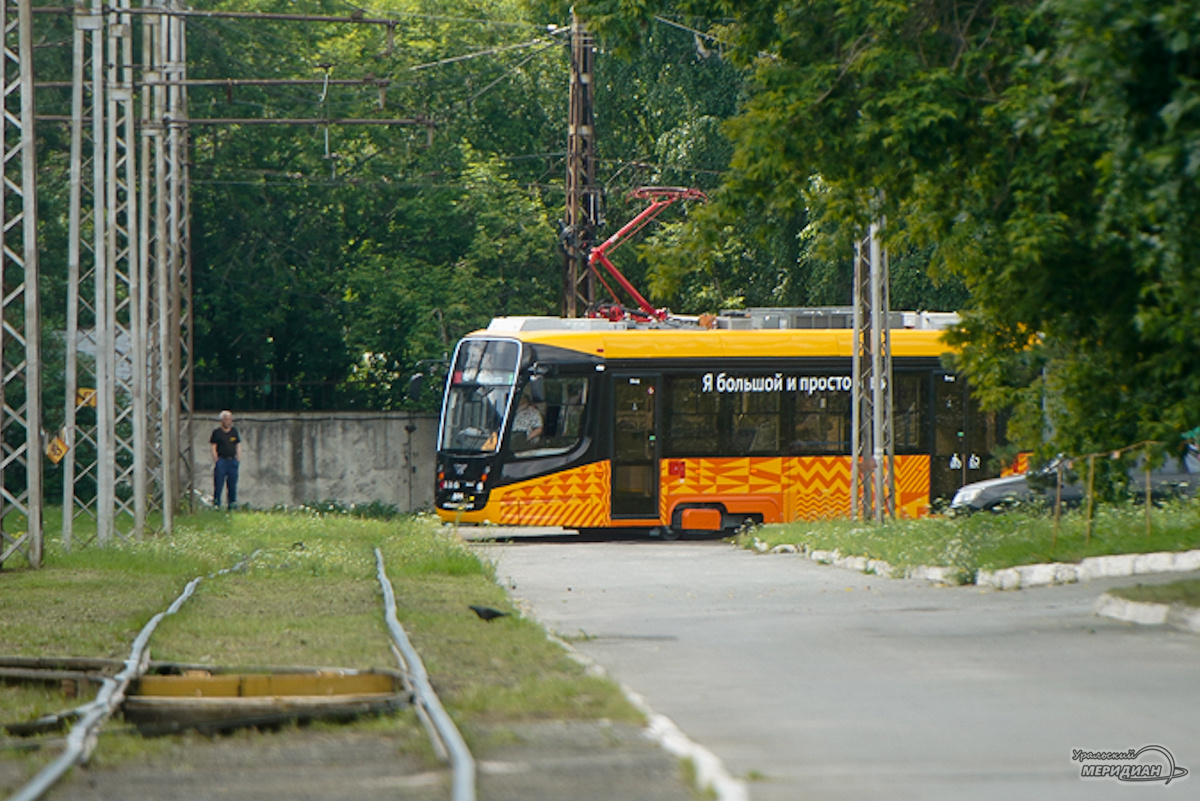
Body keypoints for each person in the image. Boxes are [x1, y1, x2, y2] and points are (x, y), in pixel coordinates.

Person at [210, 410, 242, 509]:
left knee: (232, 484)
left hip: (232, 461)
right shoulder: (217, 433)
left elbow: (238, 444)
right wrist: (216, 459)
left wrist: (238, 458)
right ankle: (217, 504)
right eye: (227, 419)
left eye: (230, 419)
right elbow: (213, 446)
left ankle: (232, 505)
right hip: (222, 461)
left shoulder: (234, 431)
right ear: (222, 420)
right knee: (219, 484)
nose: (229, 421)